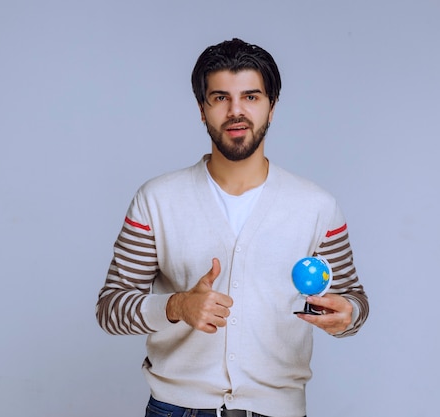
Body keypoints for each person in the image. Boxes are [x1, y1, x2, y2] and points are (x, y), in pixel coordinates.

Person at [96, 38, 369, 417]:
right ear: (201, 109)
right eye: (220, 98)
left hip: (279, 410)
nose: (235, 111)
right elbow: (110, 308)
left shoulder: (316, 206)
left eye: (251, 97)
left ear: (272, 107)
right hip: (177, 409)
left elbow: (353, 299)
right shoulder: (157, 199)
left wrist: (347, 316)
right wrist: (176, 306)